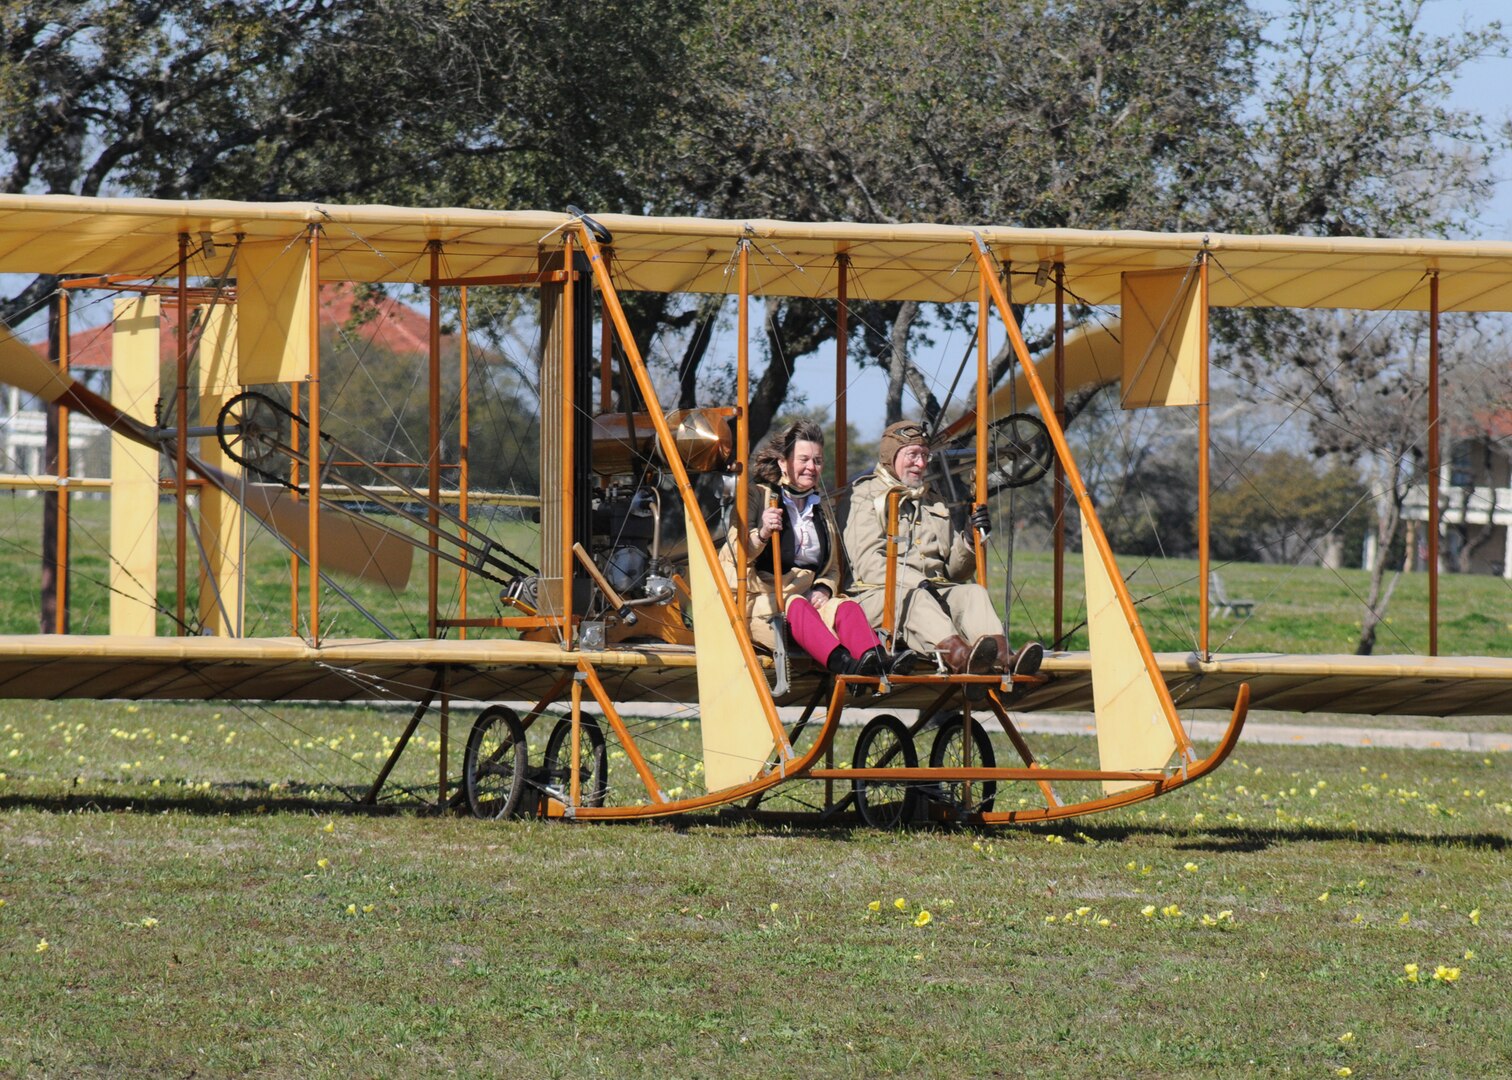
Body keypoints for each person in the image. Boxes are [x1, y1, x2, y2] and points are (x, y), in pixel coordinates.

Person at [842, 420, 1043, 677]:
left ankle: (1005, 659)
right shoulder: (864, 495)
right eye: (912, 455)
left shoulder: (932, 499)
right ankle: (961, 659)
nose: (921, 464)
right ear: (890, 457)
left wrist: (970, 541)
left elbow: (952, 571)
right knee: (918, 599)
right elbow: (868, 564)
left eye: (925, 456)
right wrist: (921, 585)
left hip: (931, 594)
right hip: (878, 597)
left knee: (973, 593)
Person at [719, 419, 912, 679]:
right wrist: (763, 533)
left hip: (807, 600)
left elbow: (831, 567)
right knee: (798, 605)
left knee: (847, 607)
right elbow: (735, 554)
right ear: (783, 463)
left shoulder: (821, 508)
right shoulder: (756, 496)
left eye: (817, 461)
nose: (811, 467)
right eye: (804, 459)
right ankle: (845, 665)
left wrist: (824, 587)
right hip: (764, 598)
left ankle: (877, 660)